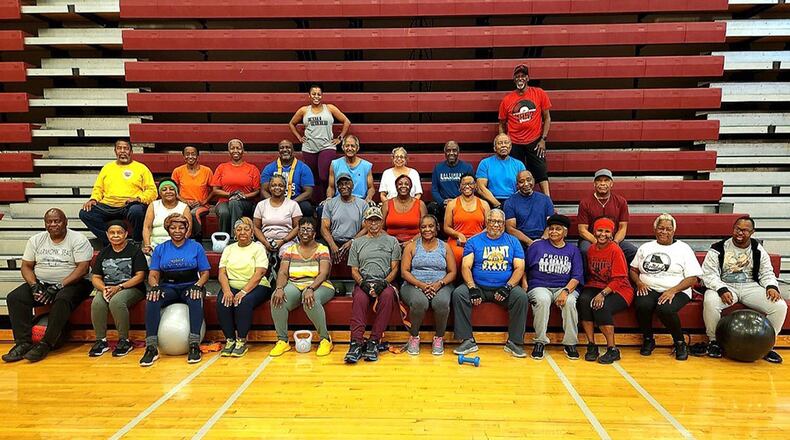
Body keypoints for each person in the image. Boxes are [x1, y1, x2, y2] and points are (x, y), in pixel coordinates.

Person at [2, 209, 93, 363]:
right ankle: (23, 343)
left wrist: (58, 286)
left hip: (75, 283)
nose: (53, 224)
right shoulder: (36, 240)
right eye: (49, 222)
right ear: (45, 224)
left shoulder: (78, 239)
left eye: (57, 221)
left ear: (65, 222)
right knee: (15, 298)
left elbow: (82, 269)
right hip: (43, 282)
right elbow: (26, 266)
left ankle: (46, 343)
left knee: (62, 299)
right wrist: (34, 285)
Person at [699, 216, 786, 363]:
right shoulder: (718, 248)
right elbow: (708, 274)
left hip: (750, 286)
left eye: (745, 230)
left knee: (779, 306)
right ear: (733, 229)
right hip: (725, 285)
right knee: (710, 301)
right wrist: (721, 289)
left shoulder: (758, 249)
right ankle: (714, 342)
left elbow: (766, 272)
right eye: (737, 229)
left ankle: (767, 345)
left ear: (752, 232)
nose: (740, 233)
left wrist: (771, 286)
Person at [452, 209, 529, 358]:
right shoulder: (474, 241)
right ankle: (467, 340)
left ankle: (514, 342)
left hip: (504, 287)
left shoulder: (513, 242)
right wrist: (472, 287)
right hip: (479, 286)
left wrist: (508, 287)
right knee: (459, 294)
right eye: (492, 221)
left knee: (521, 297)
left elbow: (519, 267)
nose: (496, 225)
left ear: (504, 224)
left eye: (499, 222)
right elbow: (465, 266)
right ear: (486, 222)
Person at [140, 214, 210, 367]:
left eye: (181, 227)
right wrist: (155, 287)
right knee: (152, 298)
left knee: (195, 297)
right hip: (169, 287)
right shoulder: (160, 249)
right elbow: (153, 275)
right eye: (173, 227)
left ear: (186, 229)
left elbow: (205, 273)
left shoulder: (196, 247)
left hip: (190, 285)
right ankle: (151, 347)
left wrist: (198, 285)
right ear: (168, 229)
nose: (177, 231)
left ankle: (194, 344)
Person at [630, 213, 703, 361]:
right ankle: (649, 340)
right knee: (642, 304)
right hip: (649, 288)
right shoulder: (646, 247)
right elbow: (633, 270)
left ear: (673, 231)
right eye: (661, 228)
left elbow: (693, 278)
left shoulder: (683, 248)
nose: (664, 232)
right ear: (655, 229)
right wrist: (639, 282)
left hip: (677, 289)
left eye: (668, 229)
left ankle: (680, 343)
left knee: (665, 308)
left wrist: (672, 290)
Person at [269, 218, 336, 357]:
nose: (305, 232)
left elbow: (323, 273)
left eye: (309, 229)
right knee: (276, 298)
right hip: (295, 283)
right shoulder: (290, 250)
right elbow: (282, 272)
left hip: (320, 285)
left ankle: (325, 339)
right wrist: (280, 288)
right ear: (298, 232)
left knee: (311, 299)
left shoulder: (322, 249)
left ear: (314, 233)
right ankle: (282, 341)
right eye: (302, 229)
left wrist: (310, 288)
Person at [344, 206, 401, 364]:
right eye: (370, 220)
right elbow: (354, 270)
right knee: (360, 299)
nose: (374, 223)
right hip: (364, 281)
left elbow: (395, 268)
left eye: (377, 220)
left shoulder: (392, 241)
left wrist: (384, 283)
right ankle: (355, 342)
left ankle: (374, 341)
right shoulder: (357, 243)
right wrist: (362, 283)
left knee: (388, 296)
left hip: (384, 281)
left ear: (382, 222)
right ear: (365, 223)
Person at [524, 214, 583, 360]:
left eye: (558, 229)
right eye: (551, 229)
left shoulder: (573, 251)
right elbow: (524, 268)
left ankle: (570, 343)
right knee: (543, 299)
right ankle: (540, 342)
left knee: (570, 302)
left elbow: (576, 276)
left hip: (564, 287)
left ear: (565, 232)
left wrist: (565, 291)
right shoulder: (537, 246)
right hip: (539, 285)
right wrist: (524, 284)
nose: (553, 232)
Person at [578, 217, 634, 364]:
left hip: (620, 289)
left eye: (607, 231)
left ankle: (612, 349)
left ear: (612, 234)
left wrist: (602, 294)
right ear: (594, 232)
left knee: (601, 306)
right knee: (583, 301)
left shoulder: (616, 250)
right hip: (596, 284)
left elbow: (620, 278)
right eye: (600, 230)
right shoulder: (591, 249)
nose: (603, 234)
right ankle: (591, 345)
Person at [79, 139, 156, 245]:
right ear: (115, 151)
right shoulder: (107, 168)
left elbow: (152, 191)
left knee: (137, 211)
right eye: (119, 148)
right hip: (107, 205)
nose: (122, 151)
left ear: (131, 151)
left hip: (129, 205)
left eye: (126, 148)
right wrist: (93, 199)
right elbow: (98, 188)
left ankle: (137, 241)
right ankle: (111, 241)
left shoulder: (141, 168)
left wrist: (138, 199)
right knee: (85, 213)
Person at [88, 220, 148, 358]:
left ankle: (124, 341)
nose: (116, 235)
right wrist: (103, 289)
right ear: (107, 235)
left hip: (131, 288)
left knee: (116, 302)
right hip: (108, 287)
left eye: (119, 232)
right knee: (97, 302)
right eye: (112, 233)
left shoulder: (134, 251)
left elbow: (140, 276)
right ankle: (101, 341)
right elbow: (96, 277)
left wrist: (119, 287)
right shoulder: (103, 253)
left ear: (126, 234)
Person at [400, 215, 457, 355]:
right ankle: (414, 336)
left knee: (442, 302)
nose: (427, 229)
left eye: (430, 226)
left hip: (441, 284)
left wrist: (439, 284)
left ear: (436, 228)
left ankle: (439, 338)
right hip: (413, 284)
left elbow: (452, 272)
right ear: (419, 229)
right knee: (420, 302)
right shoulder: (412, 247)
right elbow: (404, 272)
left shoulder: (445, 247)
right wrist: (421, 285)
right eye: (423, 227)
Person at [216, 217, 272, 358]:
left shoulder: (258, 248)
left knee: (243, 301)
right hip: (232, 284)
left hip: (257, 285)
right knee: (223, 300)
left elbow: (260, 273)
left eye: (246, 229)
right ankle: (230, 340)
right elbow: (221, 273)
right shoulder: (228, 249)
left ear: (252, 232)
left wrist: (243, 291)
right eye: (239, 229)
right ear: (235, 232)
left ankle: (241, 340)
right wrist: (227, 291)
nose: (242, 232)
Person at [289, 84, 350, 202]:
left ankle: (329, 199)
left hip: (327, 146)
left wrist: (340, 138)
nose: (316, 96)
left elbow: (346, 121)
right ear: (309, 96)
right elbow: (291, 124)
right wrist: (299, 137)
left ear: (322, 96)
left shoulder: (330, 108)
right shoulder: (304, 110)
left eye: (319, 94)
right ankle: (316, 204)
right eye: (314, 94)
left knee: (324, 175)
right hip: (309, 148)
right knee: (313, 178)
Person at [498, 64, 552, 196]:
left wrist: (543, 139)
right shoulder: (507, 100)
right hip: (515, 143)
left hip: (535, 141)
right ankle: (517, 200)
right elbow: (501, 124)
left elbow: (547, 118)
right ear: (514, 79)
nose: (520, 78)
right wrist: (504, 142)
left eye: (522, 76)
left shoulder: (539, 93)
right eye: (517, 76)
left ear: (527, 78)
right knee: (516, 175)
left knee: (541, 172)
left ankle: (548, 201)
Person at [577, 169, 638, 263]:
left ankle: (624, 277)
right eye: (599, 180)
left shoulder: (621, 201)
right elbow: (582, 230)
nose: (602, 183)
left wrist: (615, 242)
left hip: (613, 239)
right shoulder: (585, 202)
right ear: (594, 183)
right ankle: (585, 277)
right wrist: (597, 242)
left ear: (611, 183)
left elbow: (623, 227)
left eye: (606, 180)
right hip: (591, 239)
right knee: (585, 250)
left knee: (632, 251)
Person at [210, 138, 261, 235]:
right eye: (232, 148)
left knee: (234, 202)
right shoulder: (222, 167)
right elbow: (215, 190)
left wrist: (244, 196)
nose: (235, 151)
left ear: (243, 151)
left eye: (238, 148)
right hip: (224, 201)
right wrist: (230, 194)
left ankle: (235, 238)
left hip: (246, 202)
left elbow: (257, 191)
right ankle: (223, 237)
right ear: (229, 151)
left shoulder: (252, 168)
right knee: (224, 212)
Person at [320, 172, 368, 264]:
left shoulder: (362, 204)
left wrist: (352, 242)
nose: (344, 186)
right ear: (337, 187)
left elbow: (366, 227)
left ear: (352, 185)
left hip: (355, 240)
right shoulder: (330, 204)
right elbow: (324, 228)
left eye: (347, 183)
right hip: (335, 239)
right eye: (341, 184)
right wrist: (332, 245)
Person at [443, 172, 489, 266]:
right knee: (457, 254)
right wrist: (458, 234)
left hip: (479, 240)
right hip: (457, 241)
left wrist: (476, 238)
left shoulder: (484, 204)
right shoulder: (452, 204)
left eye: (470, 183)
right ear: (460, 187)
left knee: (481, 254)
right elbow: (446, 227)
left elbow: (488, 227)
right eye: (464, 184)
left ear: (475, 186)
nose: (467, 186)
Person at [260, 139, 315, 218]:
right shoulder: (269, 168)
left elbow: (308, 192)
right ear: (279, 151)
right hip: (273, 200)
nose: (285, 149)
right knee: (259, 206)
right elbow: (263, 190)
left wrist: (290, 204)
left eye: (288, 147)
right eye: (282, 148)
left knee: (307, 207)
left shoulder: (303, 168)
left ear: (293, 150)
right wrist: (274, 202)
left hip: (296, 200)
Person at [253, 174, 303, 258]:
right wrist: (265, 243)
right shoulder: (261, 205)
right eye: (273, 185)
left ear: (285, 188)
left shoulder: (293, 205)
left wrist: (283, 241)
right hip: (265, 240)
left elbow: (298, 227)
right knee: (258, 251)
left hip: (287, 241)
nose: (277, 188)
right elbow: (256, 228)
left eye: (280, 185)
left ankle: (283, 271)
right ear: (269, 188)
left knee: (286, 253)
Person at [504, 170, 554, 252]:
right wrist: (531, 243)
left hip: (544, 240)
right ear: (517, 185)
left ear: (533, 180)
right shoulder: (510, 202)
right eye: (521, 181)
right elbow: (510, 229)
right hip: (520, 242)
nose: (526, 184)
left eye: (528, 180)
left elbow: (551, 224)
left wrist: (541, 242)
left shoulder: (545, 200)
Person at [171, 145, 213, 239]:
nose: (190, 156)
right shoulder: (178, 171)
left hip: (201, 205)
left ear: (198, 156)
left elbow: (214, 190)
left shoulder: (206, 171)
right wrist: (185, 201)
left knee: (194, 213)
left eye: (193, 154)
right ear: (183, 156)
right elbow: (173, 190)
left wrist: (204, 201)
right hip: (183, 204)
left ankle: (198, 240)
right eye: (187, 154)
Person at [476, 134, 526, 209]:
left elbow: (523, 186)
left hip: (514, 202)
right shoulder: (485, 163)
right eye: (500, 143)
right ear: (494, 148)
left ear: (510, 147)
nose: (503, 145)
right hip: (491, 202)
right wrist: (497, 204)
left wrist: (510, 204)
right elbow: (481, 188)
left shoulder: (519, 165)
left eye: (506, 142)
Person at [142, 179, 191, 254]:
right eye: (164, 189)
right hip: (154, 245)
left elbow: (188, 229)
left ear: (176, 193)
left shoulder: (184, 207)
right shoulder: (153, 205)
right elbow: (147, 227)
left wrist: (179, 245)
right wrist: (147, 245)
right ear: (160, 193)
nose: (168, 191)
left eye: (171, 189)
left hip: (176, 244)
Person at [429, 140, 474, 222]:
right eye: (448, 150)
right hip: (444, 204)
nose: (451, 153)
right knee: (432, 207)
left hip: (462, 202)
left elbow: (471, 188)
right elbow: (434, 189)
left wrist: (457, 202)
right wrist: (442, 202)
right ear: (445, 152)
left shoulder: (467, 168)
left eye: (454, 150)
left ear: (458, 152)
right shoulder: (438, 168)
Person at [326, 135, 375, 203]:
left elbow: (371, 188)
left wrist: (368, 198)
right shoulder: (335, 164)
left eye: (352, 146)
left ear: (357, 148)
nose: (349, 148)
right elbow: (331, 187)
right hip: (340, 201)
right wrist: (329, 198)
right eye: (347, 146)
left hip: (360, 201)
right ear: (343, 147)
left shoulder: (366, 166)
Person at [381, 174, 427, 244]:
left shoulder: (420, 204)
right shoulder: (387, 204)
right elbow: (381, 228)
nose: (403, 186)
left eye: (406, 184)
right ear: (396, 187)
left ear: (411, 187)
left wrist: (410, 242)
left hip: (415, 242)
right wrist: (393, 242)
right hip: (390, 243)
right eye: (400, 184)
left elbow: (425, 229)